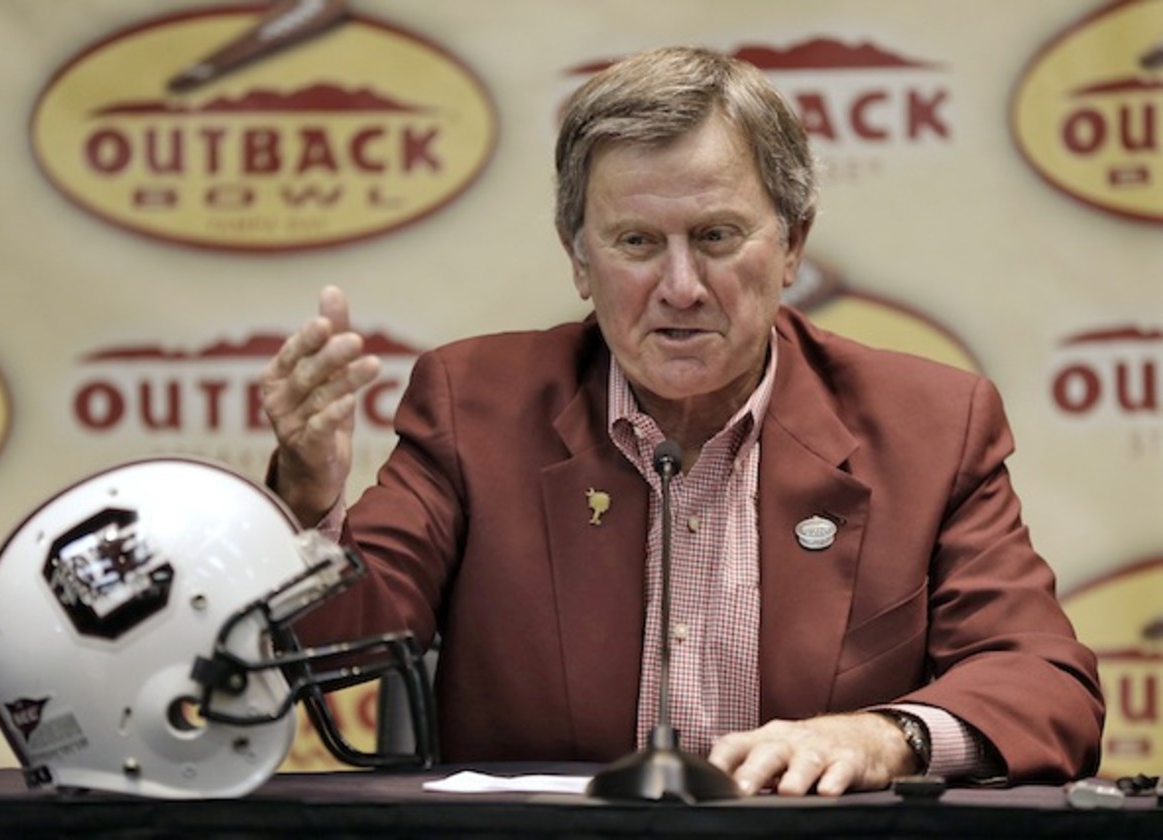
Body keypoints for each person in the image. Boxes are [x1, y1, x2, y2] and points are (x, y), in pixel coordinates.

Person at [260, 46, 1103, 796]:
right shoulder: (474, 406)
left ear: (793, 245)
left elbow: (1045, 684)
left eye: (716, 235)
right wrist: (306, 495)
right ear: (579, 260)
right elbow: (342, 643)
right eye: (635, 242)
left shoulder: (928, 425)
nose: (681, 287)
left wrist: (887, 735)